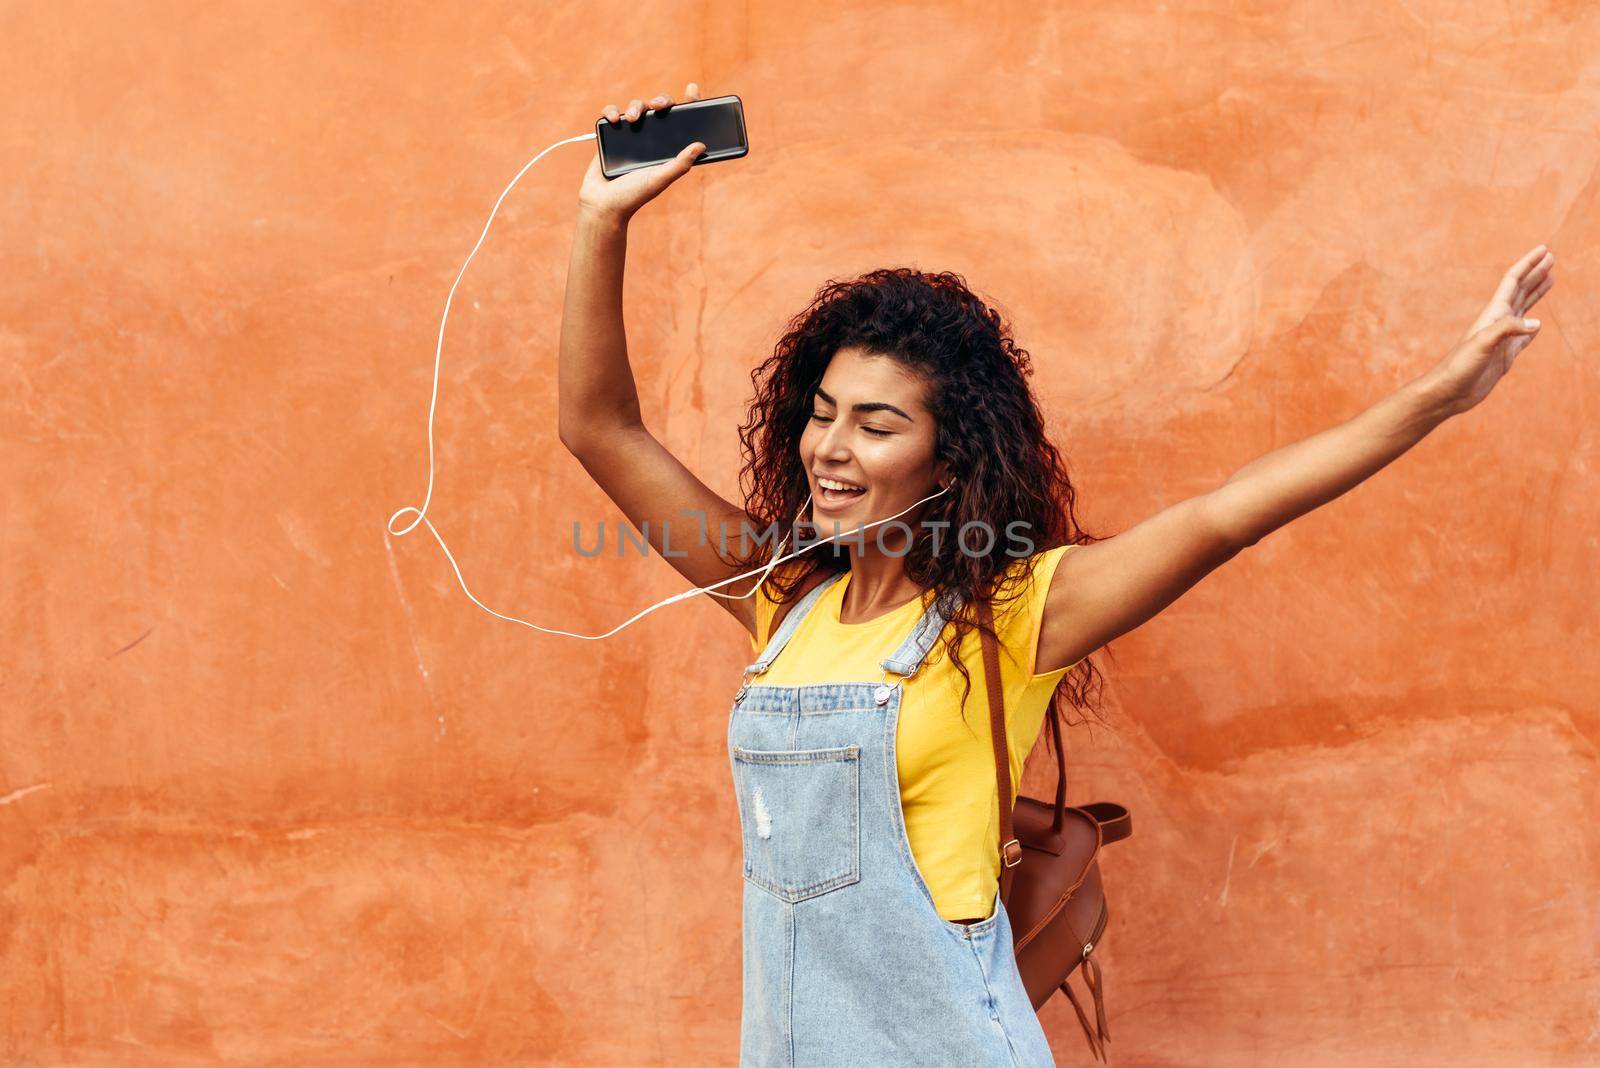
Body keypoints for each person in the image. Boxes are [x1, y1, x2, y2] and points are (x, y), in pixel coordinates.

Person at [559, 83, 1555, 1068]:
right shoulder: (777, 596)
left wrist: (1439, 394)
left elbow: (1228, 512)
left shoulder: (1011, 613)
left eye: (877, 424)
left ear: (946, 464)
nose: (831, 448)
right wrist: (603, 217)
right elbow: (597, 428)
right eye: (822, 413)